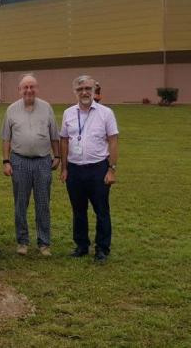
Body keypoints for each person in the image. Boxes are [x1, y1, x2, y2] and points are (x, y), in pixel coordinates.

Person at [59, 75, 119, 263]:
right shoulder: (68, 113)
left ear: (94, 90)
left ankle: (102, 248)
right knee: (78, 210)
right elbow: (64, 140)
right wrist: (64, 168)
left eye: (87, 88)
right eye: (80, 89)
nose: (84, 92)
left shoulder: (106, 113)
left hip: (98, 169)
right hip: (75, 170)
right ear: (75, 92)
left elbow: (113, 141)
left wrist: (111, 169)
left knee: (101, 210)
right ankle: (81, 245)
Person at [1, 74, 60, 257]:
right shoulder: (11, 110)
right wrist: (6, 161)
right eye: (25, 87)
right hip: (19, 160)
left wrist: (57, 155)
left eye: (32, 87)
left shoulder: (47, 108)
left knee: (43, 203)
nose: (28, 90)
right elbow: (6, 138)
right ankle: (22, 242)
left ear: (37, 88)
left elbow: (54, 135)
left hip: (43, 161)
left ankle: (44, 243)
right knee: (21, 203)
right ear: (19, 90)